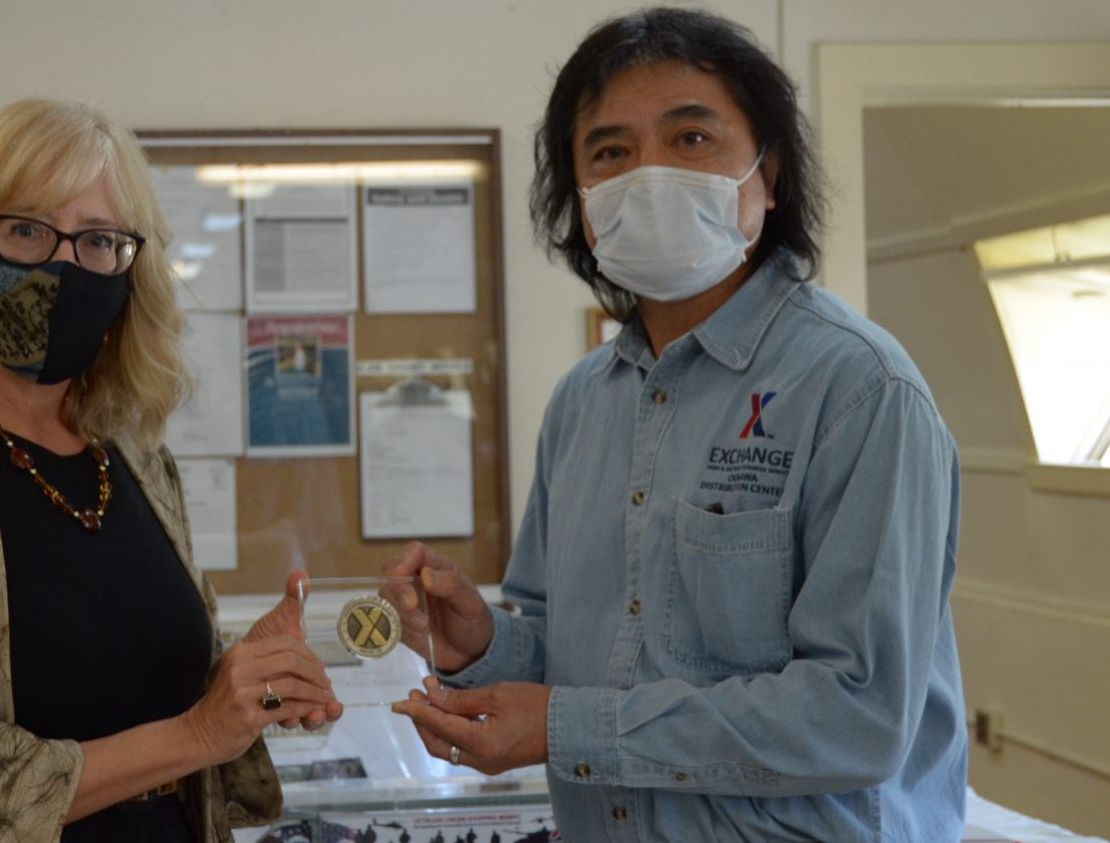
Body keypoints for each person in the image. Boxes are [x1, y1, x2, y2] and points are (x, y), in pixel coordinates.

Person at [389, 8, 966, 841]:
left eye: (691, 139)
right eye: (611, 152)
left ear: (769, 177)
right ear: (584, 207)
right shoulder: (583, 401)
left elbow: (857, 713)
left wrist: (566, 728)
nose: (649, 175)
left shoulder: (859, 390)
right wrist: (482, 641)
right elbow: (578, 657)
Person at [0, 99, 341, 843]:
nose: (63, 265)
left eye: (99, 241)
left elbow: (146, 692)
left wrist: (247, 677)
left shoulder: (135, 455)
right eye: (25, 230)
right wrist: (197, 733)